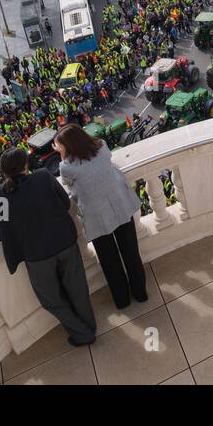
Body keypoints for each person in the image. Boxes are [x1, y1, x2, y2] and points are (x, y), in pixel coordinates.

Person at [0, 146, 97, 346]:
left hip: (36, 256)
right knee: (78, 288)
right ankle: (90, 326)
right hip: (65, 242)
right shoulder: (44, 177)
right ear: (26, 165)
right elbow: (64, 203)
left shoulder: (0, 195)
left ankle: (82, 332)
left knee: (51, 300)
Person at [54, 124, 147, 310]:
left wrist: (63, 155)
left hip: (96, 216)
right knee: (131, 253)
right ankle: (140, 293)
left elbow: (67, 183)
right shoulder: (102, 147)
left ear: (68, 146)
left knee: (110, 260)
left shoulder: (66, 167)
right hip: (120, 205)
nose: (57, 149)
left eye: (58, 146)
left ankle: (122, 300)